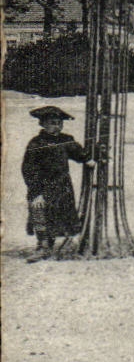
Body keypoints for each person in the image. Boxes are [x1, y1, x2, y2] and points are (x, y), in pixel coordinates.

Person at [23, 106, 93, 261]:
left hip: (62, 186)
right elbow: (28, 169)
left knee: (61, 215)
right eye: (53, 123)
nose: (57, 126)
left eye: (60, 123)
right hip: (42, 186)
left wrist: (87, 159)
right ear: (43, 124)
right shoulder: (36, 143)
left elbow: (77, 152)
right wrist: (36, 192)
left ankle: (64, 246)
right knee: (40, 212)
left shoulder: (65, 140)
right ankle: (43, 246)